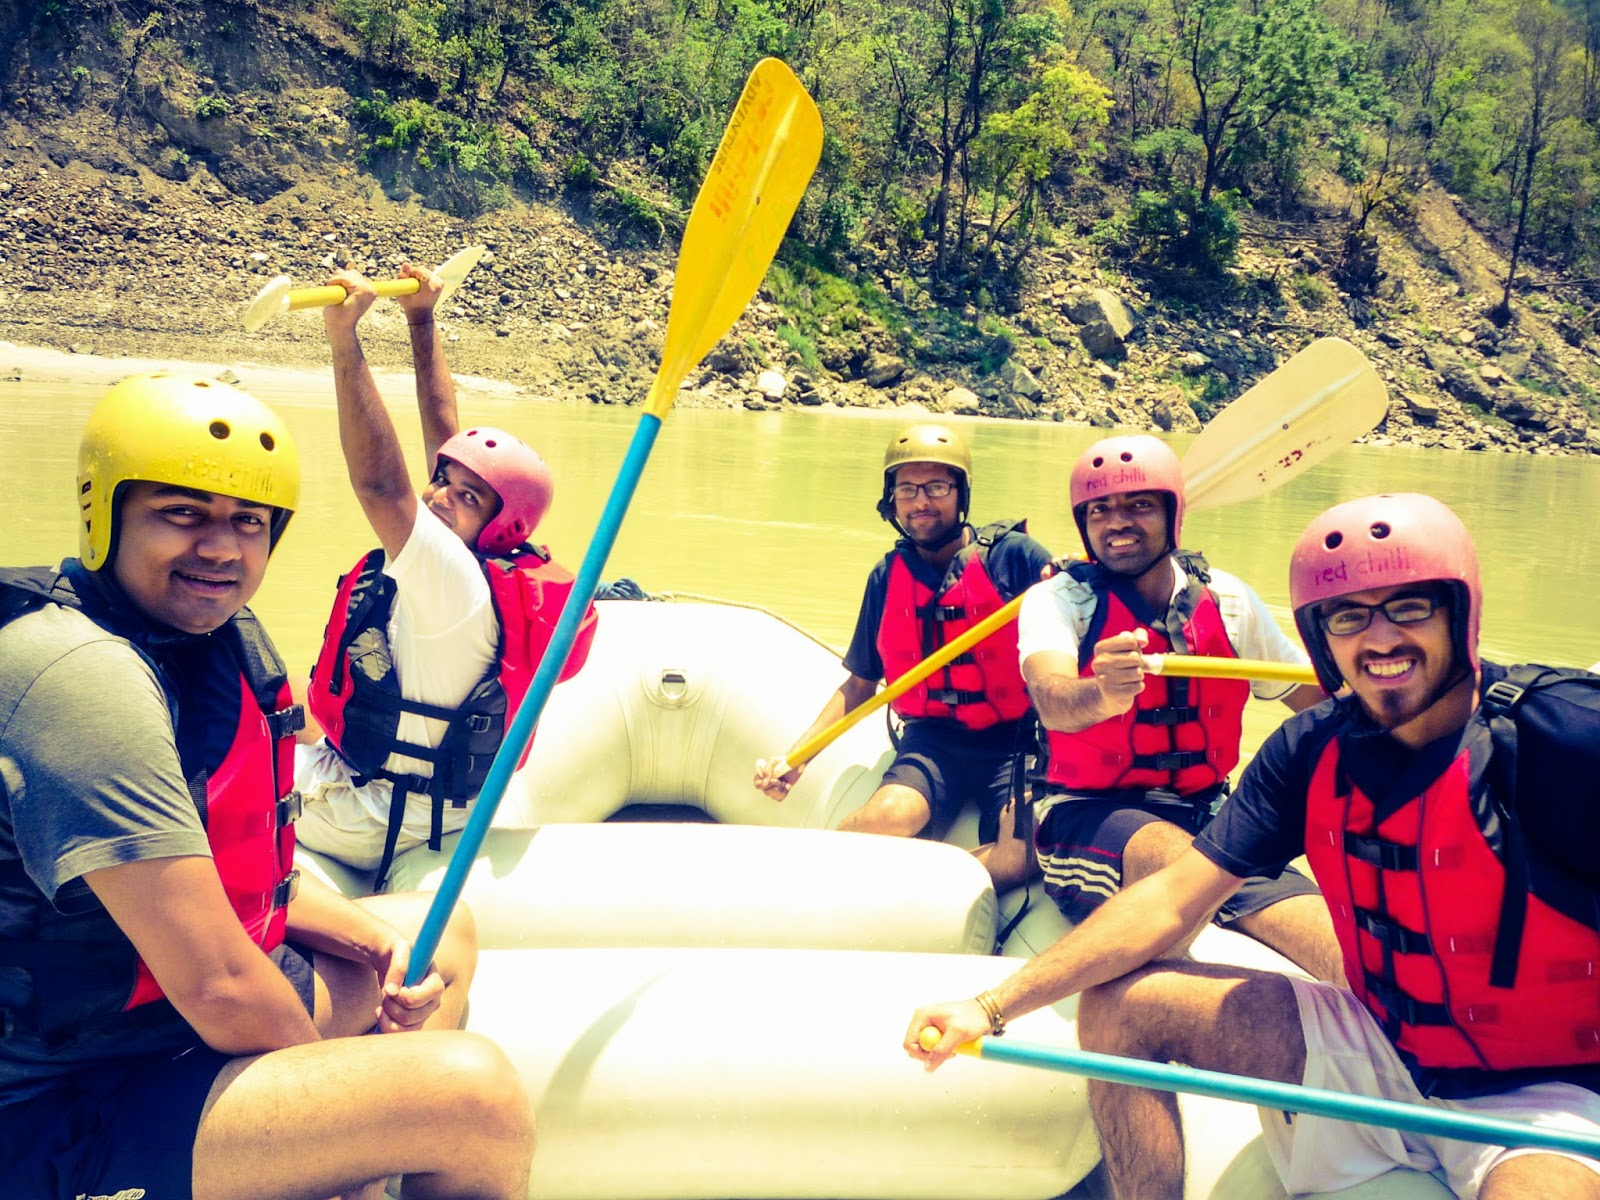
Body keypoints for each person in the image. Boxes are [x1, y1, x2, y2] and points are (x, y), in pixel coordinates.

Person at [909, 493, 1600, 1200]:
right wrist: (992, 1006)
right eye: (1350, 616)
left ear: (1464, 613)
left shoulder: (1561, 741)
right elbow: (1171, 903)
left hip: (1538, 1094)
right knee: (1117, 1007)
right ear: (1322, 637)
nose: (1381, 639)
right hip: (1378, 1046)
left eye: (1411, 607)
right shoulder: (1311, 748)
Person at [0, 372, 534, 1199]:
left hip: (154, 1033)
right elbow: (219, 985)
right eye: (182, 514)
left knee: (436, 933)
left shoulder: (204, 639)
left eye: (248, 522)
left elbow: (248, 877)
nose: (221, 548)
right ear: (103, 510)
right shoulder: (80, 679)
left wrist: (372, 942)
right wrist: (347, 1130)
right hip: (56, 1111)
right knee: (473, 1098)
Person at [981, 433, 1339, 979]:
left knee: (1333, 936)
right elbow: (1052, 701)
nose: (1116, 522)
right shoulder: (1058, 600)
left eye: (1139, 506)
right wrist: (1101, 692)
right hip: (1085, 812)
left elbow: (1316, 703)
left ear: (1174, 516)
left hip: (1213, 816)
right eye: (1099, 510)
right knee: (1177, 862)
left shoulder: (1228, 600)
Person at [297, 262, 598, 888]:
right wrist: (422, 319)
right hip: (426, 802)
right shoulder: (488, 565)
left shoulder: (455, 585)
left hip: (371, 817)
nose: (439, 496)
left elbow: (380, 486)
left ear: (499, 525)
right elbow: (446, 437)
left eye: (467, 497)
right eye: (442, 481)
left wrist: (343, 340)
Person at [754, 423, 1053, 877]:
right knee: (886, 819)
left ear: (961, 493)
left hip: (1016, 741)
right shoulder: (886, 577)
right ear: (891, 499)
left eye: (936, 486)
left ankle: (939, 885)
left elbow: (1077, 607)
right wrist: (795, 760)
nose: (921, 502)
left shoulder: (1014, 556)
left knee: (1032, 845)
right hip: (932, 741)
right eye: (907, 489)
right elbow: (859, 684)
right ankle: (808, 874)